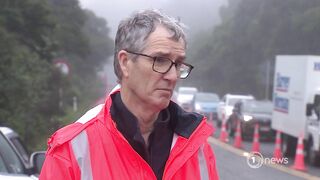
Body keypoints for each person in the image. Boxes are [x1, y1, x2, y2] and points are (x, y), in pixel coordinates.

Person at [39, 9, 219, 180]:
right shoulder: (72, 148)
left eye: (178, 64)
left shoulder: (196, 146)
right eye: (160, 60)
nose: (172, 76)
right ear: (125, 63)